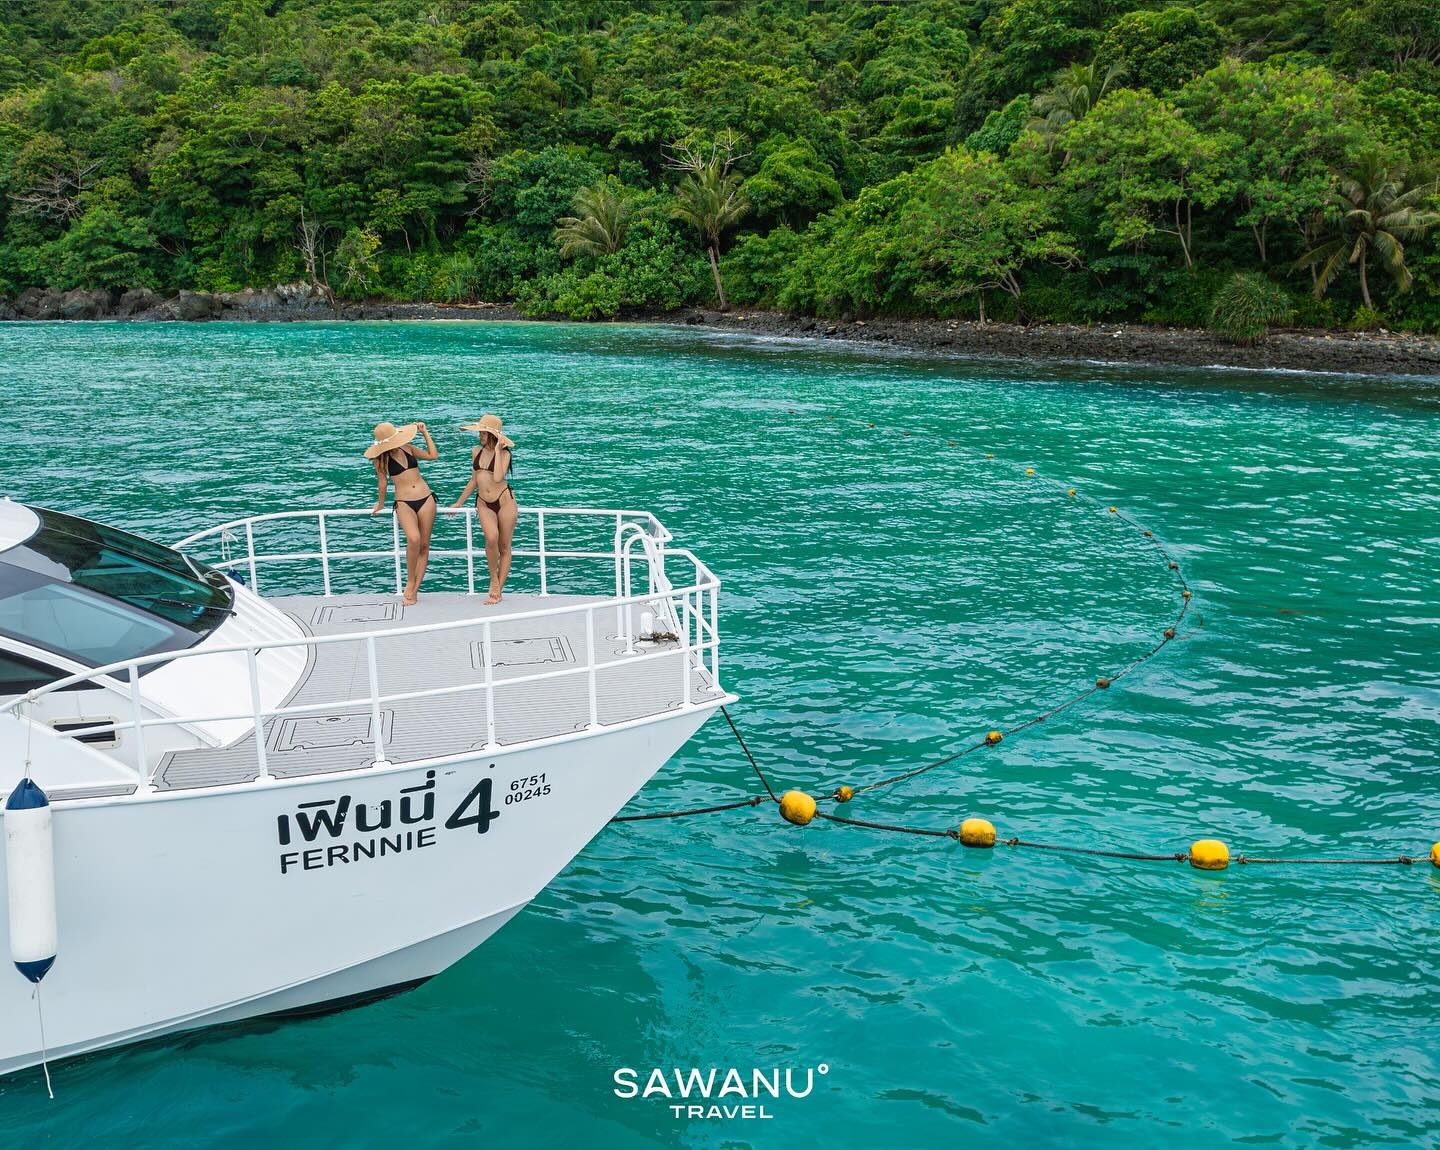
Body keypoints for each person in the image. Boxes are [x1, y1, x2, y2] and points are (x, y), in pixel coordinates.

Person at [365, 420, 438, 606]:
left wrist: (425, 433)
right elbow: (383, 484)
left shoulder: (409, 448)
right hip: (404, 502)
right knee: (413, 539)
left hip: (426, 498)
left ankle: (414, 590)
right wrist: (380, 504)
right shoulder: (380, 461)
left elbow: (432, 455)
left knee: (424, 545)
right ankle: (410, 581)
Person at [451, 414, 516, 604]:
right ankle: (493, 579)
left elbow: (497, 478)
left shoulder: (505, 454)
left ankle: (498, 590)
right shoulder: (475, 451)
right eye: (479, 431)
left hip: (505, 501)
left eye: (483, 432)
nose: (480, 435)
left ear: (492, 435)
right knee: (491, 538)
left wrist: (497, 450)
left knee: (504, 546)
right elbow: (473, 480)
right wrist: (459, 502)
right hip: (483, 502)